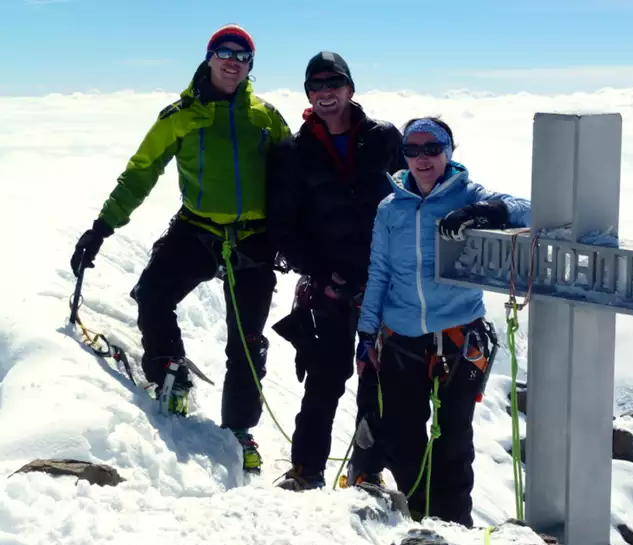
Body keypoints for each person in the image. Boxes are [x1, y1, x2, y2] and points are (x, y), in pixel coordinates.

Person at [69, 24, 292, 473]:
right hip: (196, 229)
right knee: (152, 294)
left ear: (250, 66)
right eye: (224, 53)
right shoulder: (179, 115)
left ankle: (239, 432)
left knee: (247, 343)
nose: (233, 61)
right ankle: (169, 372)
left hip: (254, 239)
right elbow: (141, 172)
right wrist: (102, 226)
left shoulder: (265, 117)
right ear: (209, 58)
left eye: (243, 55)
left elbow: (294, 178)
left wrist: (295, 238)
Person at [354, 117, 531, 526]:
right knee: (404, 436)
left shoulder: (467, 194)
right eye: (412, 150)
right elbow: (379, 272)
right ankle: (420, 516)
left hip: (458, 335)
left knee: (454, 438)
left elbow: (532, 209)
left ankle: (455, 526)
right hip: (400, 336)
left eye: (431, 148)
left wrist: (485, 210)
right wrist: (366, 334)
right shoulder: (391, 206)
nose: (422, 158)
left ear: (449, 151)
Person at [267, 51, 406, 491]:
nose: (326, 93)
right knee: (325, 378)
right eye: (316, 86)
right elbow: (283, 224)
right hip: (327, 284)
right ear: (309, 94)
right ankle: (307, 470)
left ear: (350, 89)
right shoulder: (293, 151)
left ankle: (367, 471)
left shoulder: (384, 139)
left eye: (334, 84)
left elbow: (412, 197)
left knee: (377, 380)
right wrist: (321, 275)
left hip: (381, 281)